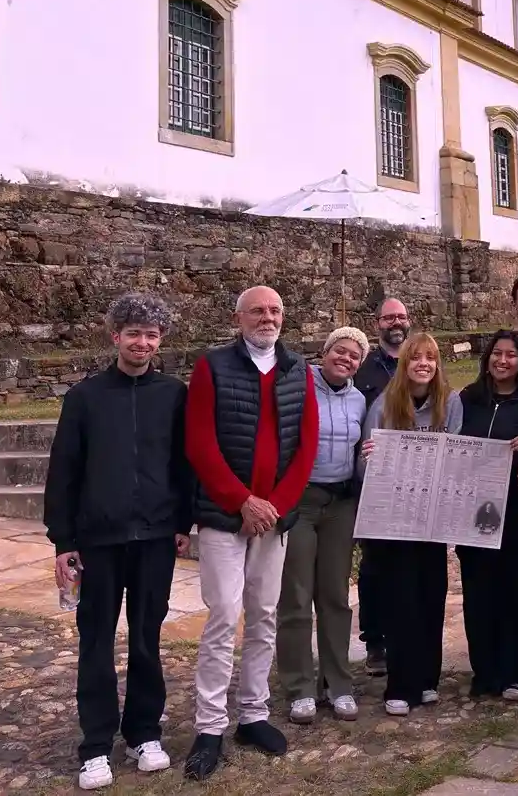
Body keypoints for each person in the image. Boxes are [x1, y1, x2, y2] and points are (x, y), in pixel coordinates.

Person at [44, 294, 192, 791]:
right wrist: (63, 540)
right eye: (134, 333)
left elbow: (183, 465)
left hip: (153, 538)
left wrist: (182, 522)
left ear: (160, 340)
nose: (142, 342)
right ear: (116, 337)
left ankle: (144, 732)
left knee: (148, 640)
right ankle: (95, 746)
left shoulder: (174, 394)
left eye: (151, 335)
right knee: (96, 643)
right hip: (98, 541)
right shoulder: (85, 397)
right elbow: (63, 471)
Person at [181, 286, 318, 779]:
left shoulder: (297, 370)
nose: (268, 317)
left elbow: (306, 448)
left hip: (274, 519)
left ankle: (253, 715)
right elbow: (199, 444)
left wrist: (275, 506)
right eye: (258, 310)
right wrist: (242, 501)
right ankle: (210, 726)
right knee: (224, 617)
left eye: (276, 309)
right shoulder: (212, 367)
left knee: (263, 615)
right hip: (224, 516)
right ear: (238, 317)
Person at [359, 332, 464, 717]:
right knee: (401, 599)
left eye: (431, 358)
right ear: (405, 364)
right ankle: (400, 684)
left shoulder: (449, 403)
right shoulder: (384, 404)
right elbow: (363, 463)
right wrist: (368, 460)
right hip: (393, 519)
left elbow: (456, 454)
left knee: (432, 596)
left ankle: (427, 679)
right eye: (416, 357)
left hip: (432, 517)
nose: (423, 363)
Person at [276, 327, 370, 726]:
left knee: (334, 595)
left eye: (354, 356)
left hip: (340, 504)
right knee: (296, 595)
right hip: (300, 501)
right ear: (326, 352)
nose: (345, 359)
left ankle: (339, 683)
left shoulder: (359, 399)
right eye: (340, 351)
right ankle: (299, 687)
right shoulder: (300, 385)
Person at [456, 331, 518, 701]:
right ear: (487, 358)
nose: (503, 361)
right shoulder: (468, 399)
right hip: (475, 511)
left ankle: (515, 673)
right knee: (479, 593)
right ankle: (484, 672)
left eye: (511, 355)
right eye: (497, 353)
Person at [353, 297, 412, 676]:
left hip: (414, 483)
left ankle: (408, 636)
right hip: (372, 483)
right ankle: (375, 640)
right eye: (389, 316)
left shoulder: (422, 363)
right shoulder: (363, 370)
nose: (396, 322)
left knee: (410, 566)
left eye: (402, 316)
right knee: (374, 566)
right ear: (377, 324)